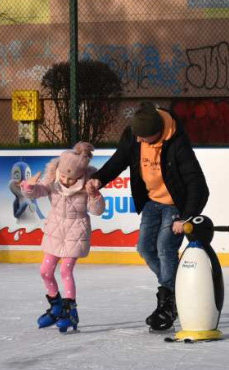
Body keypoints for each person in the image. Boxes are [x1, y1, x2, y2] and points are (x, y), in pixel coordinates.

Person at [88, 102, 209, 331]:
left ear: (159, 132)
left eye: (147, 138)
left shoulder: (177, 142)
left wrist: (186, 217)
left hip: (175, 204)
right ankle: (176, 289)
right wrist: (99, 179)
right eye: (139, 137)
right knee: (145, 248)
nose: (142, 142)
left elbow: (197, 183)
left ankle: (167, 302)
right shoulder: (135, 136)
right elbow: (119, 160)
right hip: (152, 202)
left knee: (165, 247)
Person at [21, 141, 106, 333]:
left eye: (71, 178)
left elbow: (97, 210)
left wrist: (95, 196)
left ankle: (70, 311)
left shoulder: (87, 186)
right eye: (64, 176)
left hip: (76, 232)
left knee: (66, 271)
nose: (66, 181)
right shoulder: (53, 180)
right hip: (55, 231)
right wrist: (29, 188)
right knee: (45, 271)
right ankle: (56, 305)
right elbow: (38, 191)